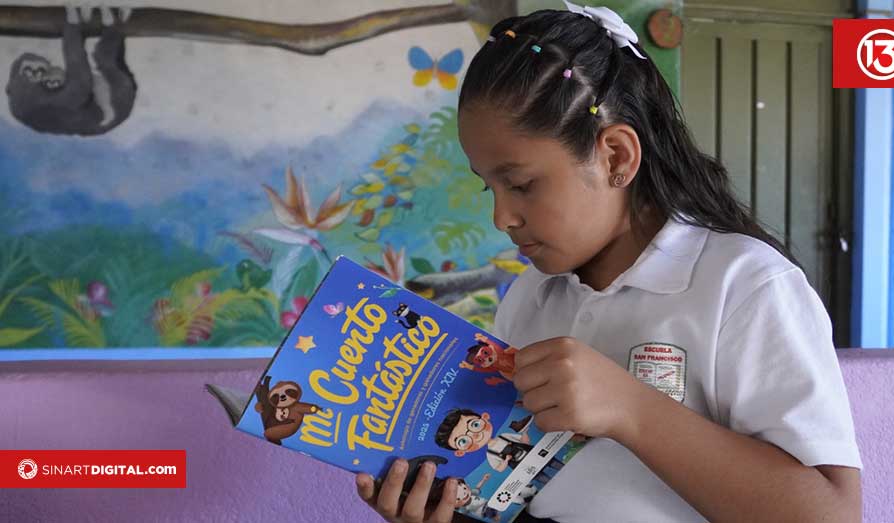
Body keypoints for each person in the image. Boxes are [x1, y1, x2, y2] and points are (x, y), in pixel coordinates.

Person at [356, 3, 862, 522]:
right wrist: (441, 510)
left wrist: (630, 407)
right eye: (490, 186)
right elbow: (516, 492)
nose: (501, 216)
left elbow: (830, 514)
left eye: (522, 184)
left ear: (616, 157)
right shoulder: (532, 298)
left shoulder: (745, 285)